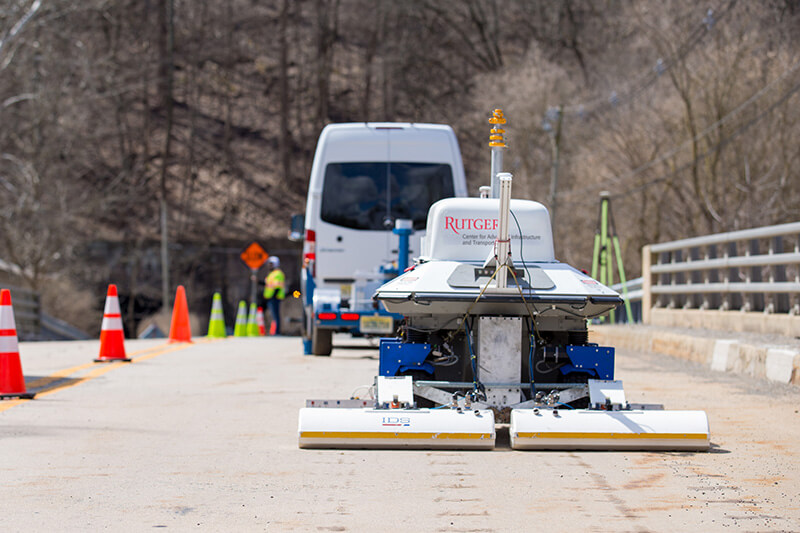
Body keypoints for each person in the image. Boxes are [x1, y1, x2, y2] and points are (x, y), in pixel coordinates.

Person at [263, 256, 286, 335]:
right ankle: (276, 331)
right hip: (271, 297)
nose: (269, 266)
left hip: (275, 298)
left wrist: (274, 296)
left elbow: (277, 287)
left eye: (271, 264)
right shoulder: (271, 274)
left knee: (275, 315)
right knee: (274, 315)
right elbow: (268, 285)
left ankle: (277, 331)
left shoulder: (277, 273)